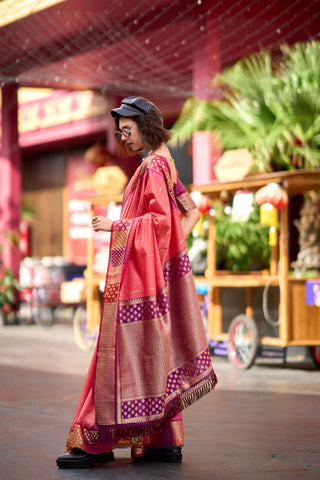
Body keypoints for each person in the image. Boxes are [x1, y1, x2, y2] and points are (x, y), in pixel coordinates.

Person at [56, 96, 217, 469]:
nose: (122, 139)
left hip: (137, 281)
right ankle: (163, 440)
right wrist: (166, 258)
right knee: (152, 355)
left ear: (145, 127)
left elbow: (163, 223)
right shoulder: (166, 165)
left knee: (115, 355)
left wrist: (118, 227)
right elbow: (189, 216)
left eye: (126, 131)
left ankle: (96, 439)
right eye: (119, 132)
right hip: (148, 275)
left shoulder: (154, 167)